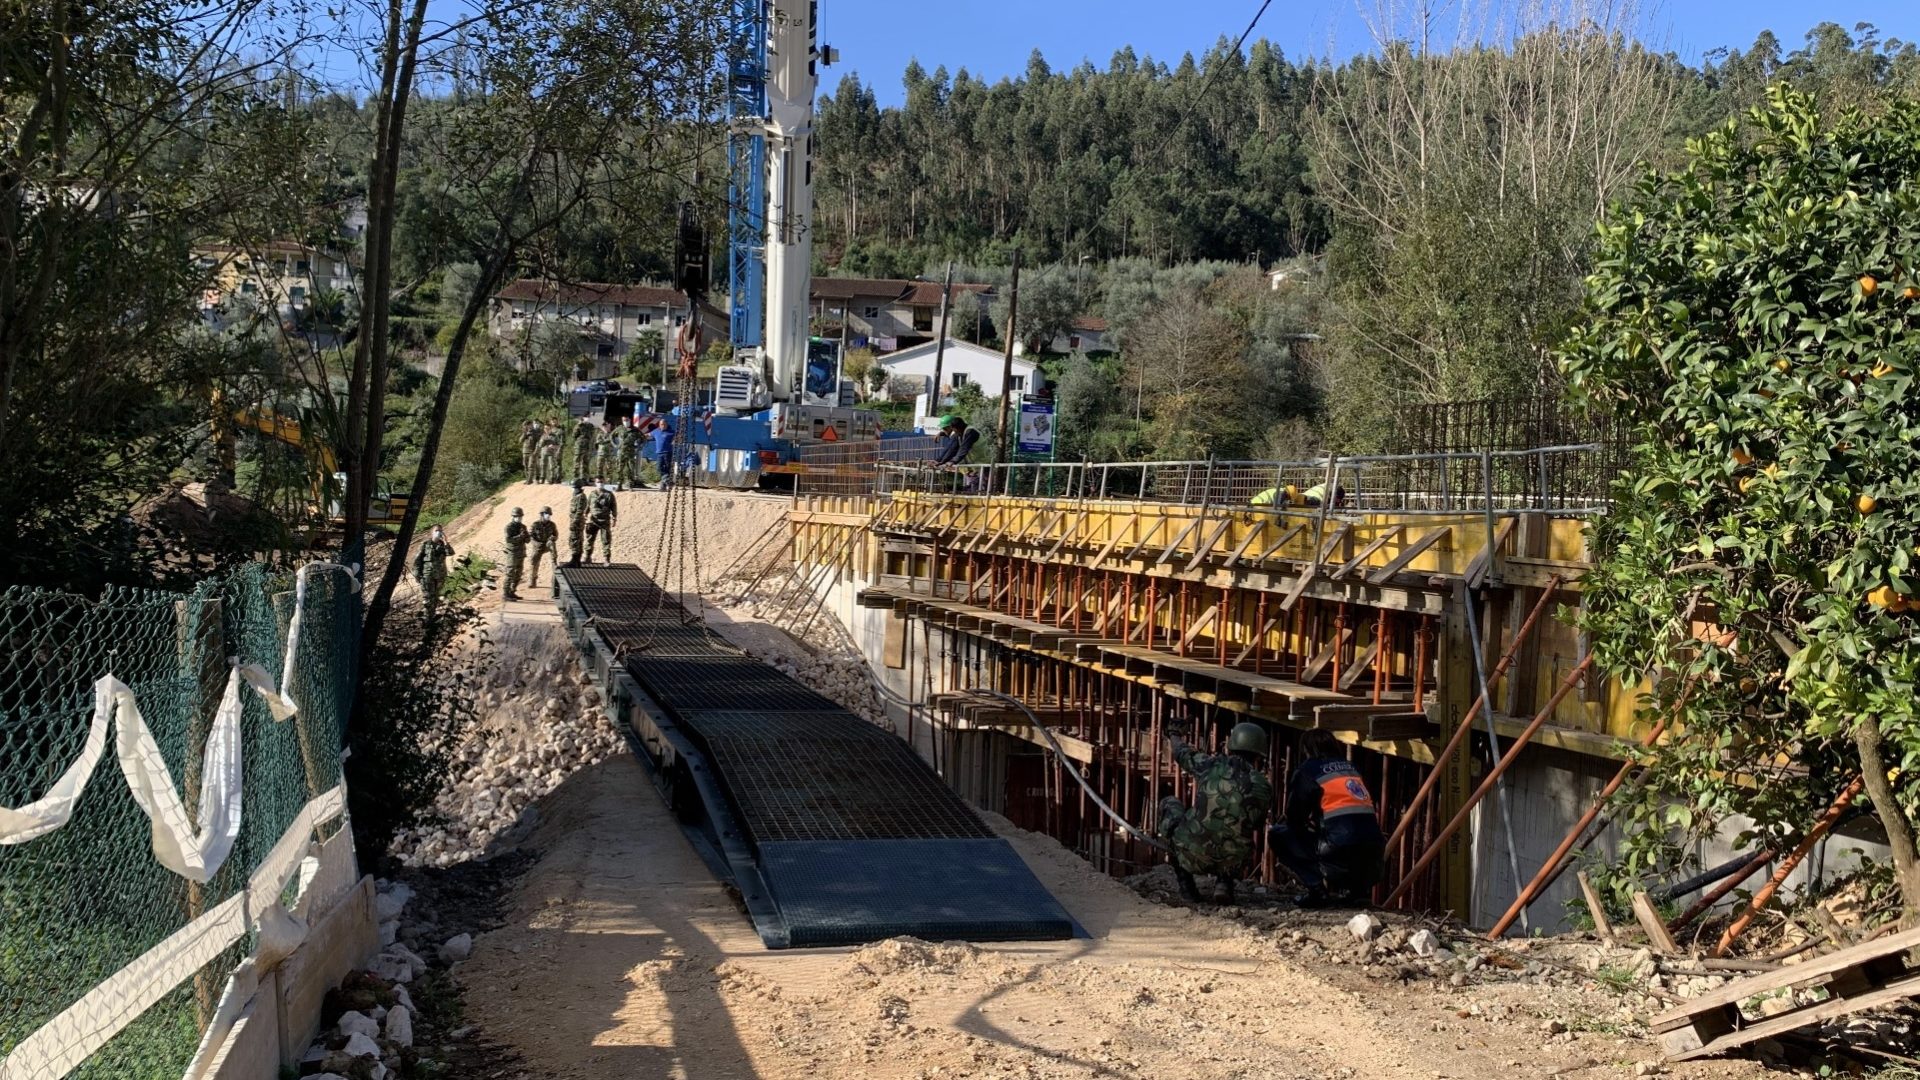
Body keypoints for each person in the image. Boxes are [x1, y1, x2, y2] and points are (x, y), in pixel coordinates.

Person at [1157, 722, 1274, 904]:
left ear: (1231, 746)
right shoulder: (1263, 786)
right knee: (1236, 832)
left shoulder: (1210, 765)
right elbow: (1256, 824)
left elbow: (1181, 753)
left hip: (1193, 854)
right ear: (1260, 754)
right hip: (1232, 860)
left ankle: (1187, 887)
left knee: (1169, 803)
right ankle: (1224, 884)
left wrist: (1174, 734)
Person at [1269, 729, 1386, 908]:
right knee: (1351, 836)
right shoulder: (1351, 769)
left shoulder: (1308, 770)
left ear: (1306, 749)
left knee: (1278, 835)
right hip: (1374, 858)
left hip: (1338, 854)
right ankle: (1358, 893)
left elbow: (1294, 817)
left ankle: (1317, 891)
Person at [411, 525, 455, 620]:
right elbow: (417, 560)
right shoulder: (425, 544)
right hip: (427, 575)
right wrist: (417, 574)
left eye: (440, 530)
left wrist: (446, 542)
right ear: (431, 533)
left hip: (440, 575)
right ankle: (426, 618)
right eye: (436, 530)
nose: (439, 532)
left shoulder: (443, 545)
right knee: (428, 597)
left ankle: (432, 617)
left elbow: (450, 553)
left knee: (435, 596)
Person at [585, 481, 617, 563]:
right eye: (598, 482)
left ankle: (607, 559)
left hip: (604, 521)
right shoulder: (592, 494)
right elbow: (588, 505)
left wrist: (614, 518)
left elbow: (613, 506)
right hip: (593, 520)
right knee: (589, 539)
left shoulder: (609, 494)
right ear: (595, 483)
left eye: (601, 482)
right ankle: (587, 557)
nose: (600, 484)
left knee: (606, 540)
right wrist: (585, 514)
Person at [528, 506, 558, 591]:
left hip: (547, 544)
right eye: (546, 514)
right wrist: (536, 544)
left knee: (552, 544)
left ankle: (554, 565)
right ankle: (532, 580)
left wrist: (552, 538)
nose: (548, 516)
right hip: (538, 545)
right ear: (542, 514)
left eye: (549, 514)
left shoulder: (552, 525)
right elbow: (531, 537)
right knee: (534, 561)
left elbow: (556, 535)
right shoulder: (535, 524)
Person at [502, 507, 529, 601]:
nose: (519, 518)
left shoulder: (523, 527)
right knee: (510, 573)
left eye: (520, 516)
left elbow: (528, 540)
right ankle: (506, 593)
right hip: (512, 553)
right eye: (517, 516)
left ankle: (512, 591)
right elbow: (509, 539)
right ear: (513, 516)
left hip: (521, 552)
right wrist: (520, 536)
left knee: (518, 573)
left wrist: (526, 536)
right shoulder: (509, 527)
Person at [650, 417, 676, 490]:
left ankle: (663, 486)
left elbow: (678, 437)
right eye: (661, 424)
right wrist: (640, 435)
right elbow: (648, 435)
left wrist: (675, 440)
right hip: (659, 453)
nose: (663, 426)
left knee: (667, 469)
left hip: (668, 453)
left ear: (667, 425)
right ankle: (668, 481)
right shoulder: (656, 431)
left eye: (664, 424)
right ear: (659, 425)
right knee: (659, 468)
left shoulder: (671, 432)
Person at [566, 479, 588, 566]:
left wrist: (574, 522)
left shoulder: (581, 497)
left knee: (575, 539)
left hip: (577, 522)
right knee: (577, 539)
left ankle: (574, 560)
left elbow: (579, 511)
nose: (574, 489)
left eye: (576, 488)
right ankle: (576, 561)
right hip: (575, 521)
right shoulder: (576, 496)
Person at [573, 417, 598, 481]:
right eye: (586, 417)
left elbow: (592, 435)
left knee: (585, 462)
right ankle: (575, 477)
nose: (588, 418)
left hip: (587, 446)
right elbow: (574, 435)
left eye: (589, 417)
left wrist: (593, 446)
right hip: (579, 446)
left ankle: (584, 478)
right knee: (577, 461)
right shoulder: (579, 425)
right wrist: (578, 425)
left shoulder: (591, 426)